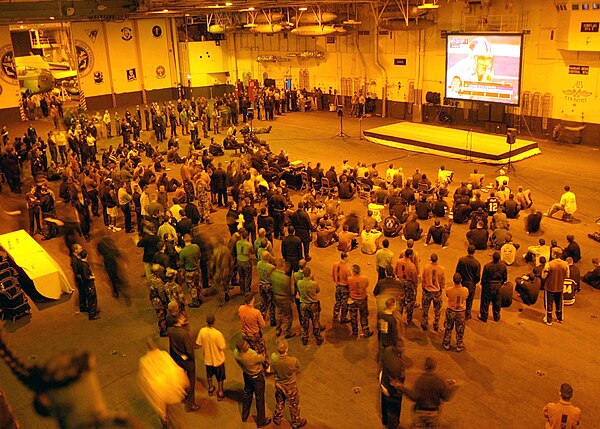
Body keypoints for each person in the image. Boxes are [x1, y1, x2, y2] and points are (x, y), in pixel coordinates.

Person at [396, 357, 457, 429]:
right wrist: (451, 388)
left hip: (420, 411)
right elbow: (446, 397)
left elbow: (414, 397)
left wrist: (401, 388)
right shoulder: (439, 380)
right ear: (434, 367)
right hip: (434, 413)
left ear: (425, 367)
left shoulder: (420, 380)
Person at [234, 339, 271, 427]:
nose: (247, 343)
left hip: (247, 374)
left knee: (247, 393)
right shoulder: (252, 355)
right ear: (243, 348)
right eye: (245, 344)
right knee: (259, 398)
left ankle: (244, 415)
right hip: (256, 377)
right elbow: (262, 359)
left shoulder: (236, 353)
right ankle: (261, 421)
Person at [271, 340, 306, 428]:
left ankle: (277, 418)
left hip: (279, 384)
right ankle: (296, 421)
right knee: (293, 404)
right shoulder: (292, 361)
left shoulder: (273, 357)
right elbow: (297, 367)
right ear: (286, 349)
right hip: (289, 385)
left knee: (280, 401)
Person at [167, 313, 199, 412]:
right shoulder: (184, 334)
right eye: (180, 318)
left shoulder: (170, 331)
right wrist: (191, 358)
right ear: (177, 321)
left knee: (182, 378)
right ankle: (190, 404)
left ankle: (183, 394)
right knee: (191, 381)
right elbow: (189, 350)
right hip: (187, 361)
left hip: (177, 358)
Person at [195, 314, 226, 400]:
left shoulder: (202, 331)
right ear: (214, 321)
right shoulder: (217, 334)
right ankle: (220, 392)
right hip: (218, 359)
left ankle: (211, 388)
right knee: (220, 377)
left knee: (209, 375)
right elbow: (222, 347)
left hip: (208, 359)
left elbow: (198, 344)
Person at [238, 293, 270, 370]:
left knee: (250, 351)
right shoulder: (256, 312)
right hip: (254, 335)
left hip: (245, 335)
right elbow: (263, 325)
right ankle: (266, 367)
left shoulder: (241, 308)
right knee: (261, 351)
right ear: (252, 301)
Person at [380, 344, 405, 429]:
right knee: (393, 409)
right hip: (392, 390)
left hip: (384, 383)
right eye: (402, 347)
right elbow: (398, 380)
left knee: (384, 404)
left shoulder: (387, 350)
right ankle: (393, 425)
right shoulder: (397, 364)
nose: (403, 348)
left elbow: (382, 361)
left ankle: (385, 420)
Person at [296, 267, 323, 346]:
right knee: (315, 321)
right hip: (313, 304)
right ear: (310, 273)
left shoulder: (299, 282)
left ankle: (304, 337)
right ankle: (318, 338)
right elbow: (318, 290)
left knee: (304, 321)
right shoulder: (313, 283)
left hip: (303, 304)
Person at [442, 273, 469, 352]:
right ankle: (459, 344)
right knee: (460, 329)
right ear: (461, 280)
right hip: (461, 312)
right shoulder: (465, 290)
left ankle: (446, 342)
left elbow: (447, 295)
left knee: (448, 327)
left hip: (451, 310)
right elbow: (466, 297)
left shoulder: (449, 290)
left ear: (453, 281)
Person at [479, 251, 507, 323]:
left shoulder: (487, 266)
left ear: (492, 258)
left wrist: (483, 285)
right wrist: (501, 283)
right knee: (497, 302)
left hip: (488, 285)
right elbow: (505, 278)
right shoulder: (503, 266)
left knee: (485, 302)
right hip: (498, 286)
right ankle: (496, 317)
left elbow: (484, 278)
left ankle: (484, 317)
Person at [455, 245, 481, 320]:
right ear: (474, 252)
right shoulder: (477, 263)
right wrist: (473, 283)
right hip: (471, 283)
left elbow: (457, 271)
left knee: (460, 298)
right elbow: (477, 277)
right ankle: (467, 314)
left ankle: (459, 312)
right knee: (469, 300)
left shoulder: (462, 260)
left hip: (462, 282)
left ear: (467, 250)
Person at [421, 253, 445, 332]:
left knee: (425, 309)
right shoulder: (441, 269)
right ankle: (436, 324)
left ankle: (424, 323)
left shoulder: (426, 267)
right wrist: (441, 289)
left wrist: (423, 288)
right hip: (437, 292)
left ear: (431, 260)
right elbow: (442, 281)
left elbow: (423, 279)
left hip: (427, 291)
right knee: (437, 310)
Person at [272, 259, 296, 338]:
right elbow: (290, 291)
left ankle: (278, 329)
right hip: (284, 298)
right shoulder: (286, 278)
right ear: (283, 266)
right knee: (287, 315)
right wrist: (292, 299)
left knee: (278, 312)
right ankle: (287, 332)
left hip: (276, 296)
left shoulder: (273, 274)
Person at [347, 264, 374, 337]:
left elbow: (348, 287)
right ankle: (366, 331)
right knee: (364, 315)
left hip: (353, 299)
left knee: (353, 316)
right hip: (362, 299)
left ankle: (354, 331)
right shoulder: (365, 278)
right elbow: (366, 285)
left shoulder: (349, 279)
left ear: (353, 271)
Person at [542, 254, 569, 325]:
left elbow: (544, 276)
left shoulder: (549, 264)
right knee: (559, 303)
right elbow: (567, 275)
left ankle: (549, 320)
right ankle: (559, 318)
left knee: (549, 304)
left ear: (554, 255)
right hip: (560, 287)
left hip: (550, 287)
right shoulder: (566, 264)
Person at [395, 249, 419, 324]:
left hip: (400, 281)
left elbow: (395, 271)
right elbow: (414, 277)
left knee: (400, 300)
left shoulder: (398, 262)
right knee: (410, 301)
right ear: (410, 255)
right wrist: (415, 286)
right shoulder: (412, 266)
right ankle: (409, 318)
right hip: (408, 283)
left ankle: (399, 316)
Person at [179, 234, 203, 307]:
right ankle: (200, 298)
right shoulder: (196, 247)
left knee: (192, 287)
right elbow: (199, 257)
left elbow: (182, 264)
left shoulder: (183, 252)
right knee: (198, 284)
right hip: (197, 269)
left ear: (183, 240)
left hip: (189, 271)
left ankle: (195, 301)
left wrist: (182, 274)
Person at [79, 250, 100, 320]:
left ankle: (92, 311)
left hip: (85, 285)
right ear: (86, 255)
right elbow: (86, 276)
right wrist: (92, 277)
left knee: (90, 298)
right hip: (89, 285)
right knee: (92, 299)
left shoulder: (80, 263)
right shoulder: (84, 265)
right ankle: (92, 314)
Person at [332, 252, 350, 323]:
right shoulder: (346, 268)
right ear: (345, 257)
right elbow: (349, 280)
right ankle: (343, 318)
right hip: (344, 287)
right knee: (345, 304)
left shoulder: (335, 264)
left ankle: (335, 314)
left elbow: (333, 274)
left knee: (338, 301)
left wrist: (336, 281)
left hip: (338, 286)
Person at [236, 228, 254, 296]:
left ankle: (242, 290)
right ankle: (247, 291)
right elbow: (252, 252)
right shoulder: (249, 244)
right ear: (247, 236)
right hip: (246, 261)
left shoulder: (238, 243)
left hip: (239, 260)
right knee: (248, 276)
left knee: (241, 276)